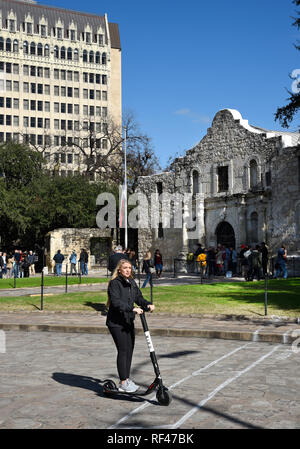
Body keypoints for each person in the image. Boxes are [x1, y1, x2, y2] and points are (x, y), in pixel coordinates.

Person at [106, 259, 155, 393]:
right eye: (125, 268)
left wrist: (147, 304)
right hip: (116, 323)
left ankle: (126, 379)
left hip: (127, 321)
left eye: (130, 268)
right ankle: (123, 382)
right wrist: (132, 309)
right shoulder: (114, 284)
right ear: (119, 270)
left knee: (129, 350)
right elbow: (116, 303)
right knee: (123, 350)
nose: (128, 270)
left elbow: (138, 297)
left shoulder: (132, 282)